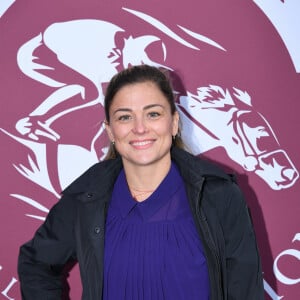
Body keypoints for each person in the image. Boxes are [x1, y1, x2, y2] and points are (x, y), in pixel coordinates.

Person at [18, 64, 265, 299]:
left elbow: (245, 291)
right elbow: (35, 262)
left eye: (153, 114)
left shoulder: (219, 196)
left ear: (174, 123)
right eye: (125, 117)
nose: (139, 128)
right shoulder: (85, 199)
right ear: (110, 131)